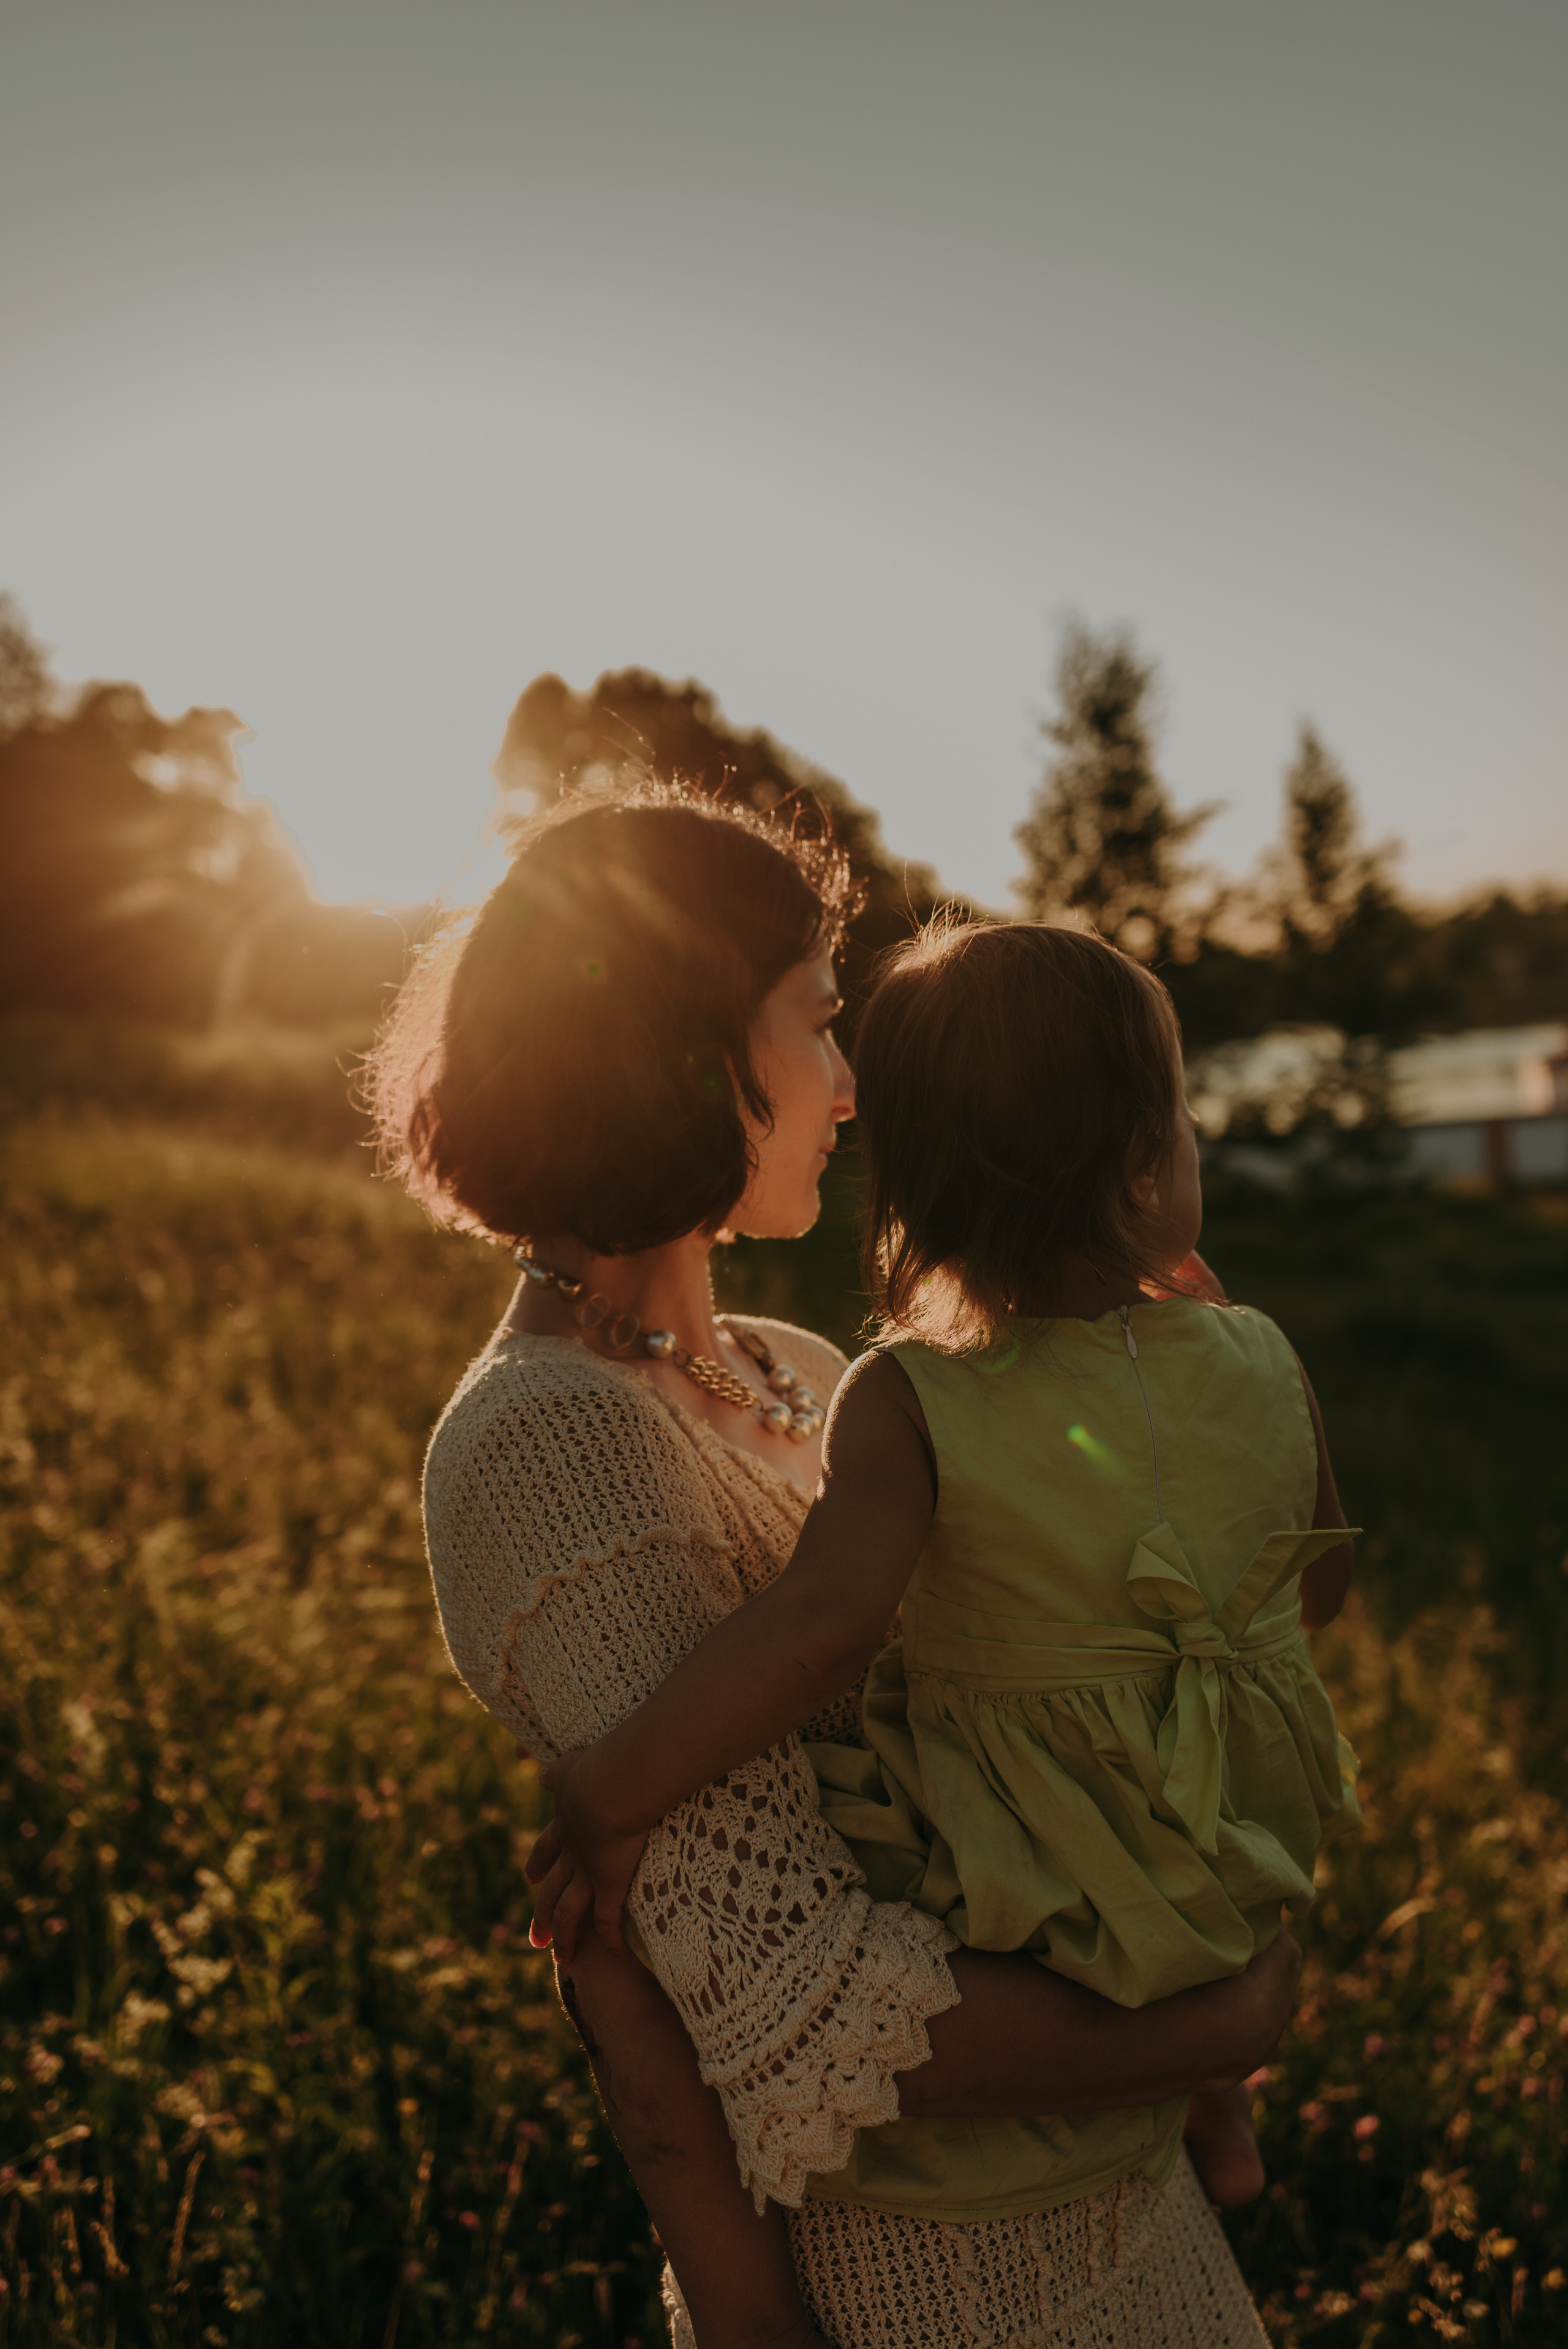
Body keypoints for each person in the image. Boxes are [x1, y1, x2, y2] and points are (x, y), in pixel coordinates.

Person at [374, 783, 1303, 2348]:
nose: (851, 1088)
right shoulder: (546, 1442)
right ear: (689, 1052)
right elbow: (801, 2010)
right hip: (924, 2295)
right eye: (815, 1023)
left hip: (1126, 2220)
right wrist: (1223, 2016)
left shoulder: (798, 1365)